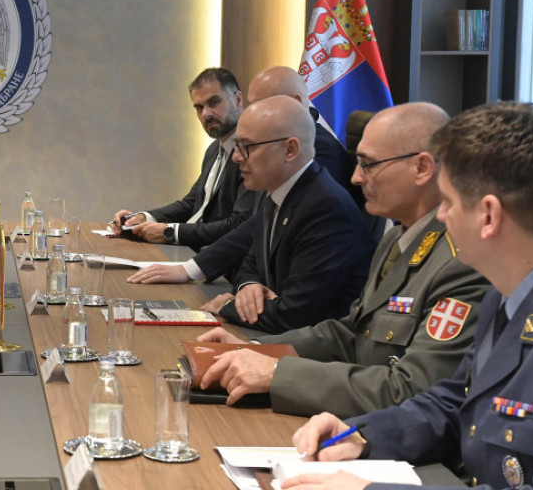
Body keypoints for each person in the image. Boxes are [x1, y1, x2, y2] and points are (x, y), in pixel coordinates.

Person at [272, 102, 533, 490]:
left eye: (448, 203)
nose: (440, 218)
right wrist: (364, 436)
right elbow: (453, 401)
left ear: (488, 216)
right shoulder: (507, 295)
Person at [196, 102, 490, 416]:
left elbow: (413, 390)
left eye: (368, 164)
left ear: (422, 168)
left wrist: (277, 374)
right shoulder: (396, 239)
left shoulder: (463, 262)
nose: (355, 177)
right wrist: (253, 350)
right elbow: (350, 333)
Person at [131, 95, 374, 334]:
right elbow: (250, 262)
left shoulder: (325, 209)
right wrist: (249, 286)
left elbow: (295, 315)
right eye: (237, 146)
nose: (237, 157)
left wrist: (228, 305)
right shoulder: (277, 191)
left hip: (308, 350)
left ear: (290, 149)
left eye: (247, 147)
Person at [110, 68, 255, 250]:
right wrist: (143, 218)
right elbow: (191, 203)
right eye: (199, 108)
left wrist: (170, 232)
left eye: (214, 102)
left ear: (238, 100)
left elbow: (238, 224)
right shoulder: (213, 150)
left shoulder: (253, 152)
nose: (206, 114)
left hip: (222, 260)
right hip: (191, 251)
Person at [246, 65, 361, 208]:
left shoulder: (320, 148)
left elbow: (301, 211)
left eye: (260, 107)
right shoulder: (272, 143)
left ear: (296, 102)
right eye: (250, 107)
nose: (250, 116)